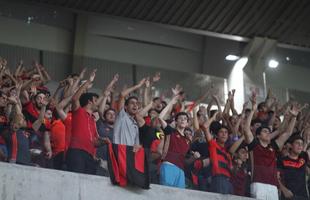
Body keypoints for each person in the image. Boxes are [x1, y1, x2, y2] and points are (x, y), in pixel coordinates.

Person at [243, 92, 303, 200]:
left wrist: (293, 117)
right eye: (265, 131)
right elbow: (246, 129)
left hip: (273, 187)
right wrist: (253, 109)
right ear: (258, 135)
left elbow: (287, 133)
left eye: (268, 131)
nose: (268, 133)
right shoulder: (254, 145)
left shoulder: (273, 146)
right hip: (258, 184)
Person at [66, 69, 109, 175]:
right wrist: (88, 82)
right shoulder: (79, 111)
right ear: (89, 101)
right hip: (76, 152)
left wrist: (104, 141)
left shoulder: (93, 120)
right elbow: (75, 98)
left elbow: (95, 142)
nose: (97, 103)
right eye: (95, 100)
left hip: (90, 155)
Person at [202, 113, 233, 194]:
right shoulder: (213, 145)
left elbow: (232, 170)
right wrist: (213, 116)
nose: (224, 134)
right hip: (218, 179)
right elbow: (205, 127)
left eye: (226, 132)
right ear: (216, 135)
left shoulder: (228, 154)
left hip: (229, 182)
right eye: (221, 132)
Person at [278, 135, 309, 200]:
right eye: (297, 143)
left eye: (301, 144)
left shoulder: (303, 158)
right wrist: (284, 190)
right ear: (291, 146)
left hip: (303, 197)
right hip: (289, 195)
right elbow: (276, 177)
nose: (300, 145)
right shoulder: (282, 160)